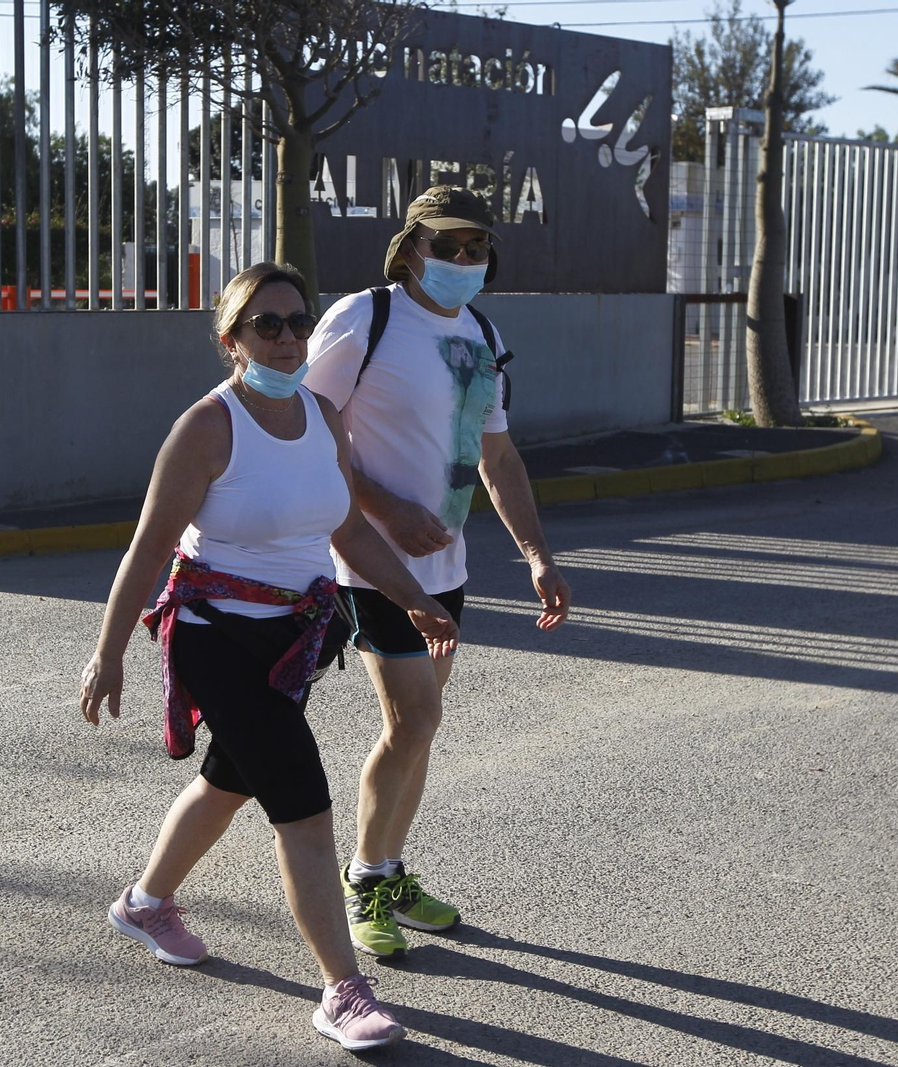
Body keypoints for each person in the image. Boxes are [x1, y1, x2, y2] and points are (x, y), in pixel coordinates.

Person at [78, 262, 460, 1051]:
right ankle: (343, 989)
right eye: (267, 324)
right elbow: (148, 547)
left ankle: (146, 902)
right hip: (217, 633)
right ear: (231, 339)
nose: (287, 337)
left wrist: (411, 595)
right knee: (303, 802)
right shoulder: (208, 428)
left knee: (231, 781)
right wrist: (106, 653)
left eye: (296, 320)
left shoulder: (323, 414)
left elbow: (348, 530)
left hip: (297, 641)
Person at [303, 187, 573, 959]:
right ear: (411, 246)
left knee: (416, 731)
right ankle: (365, 880)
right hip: (372, 561)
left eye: (476, 246)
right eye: (447, 243)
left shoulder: (483, 331)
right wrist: (383, 504)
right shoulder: (366, 318)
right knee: (414, 721)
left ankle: (384, 869)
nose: (463, 258)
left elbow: (499, 457)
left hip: (446, 563)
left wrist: (537, 554)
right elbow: (306, 429)